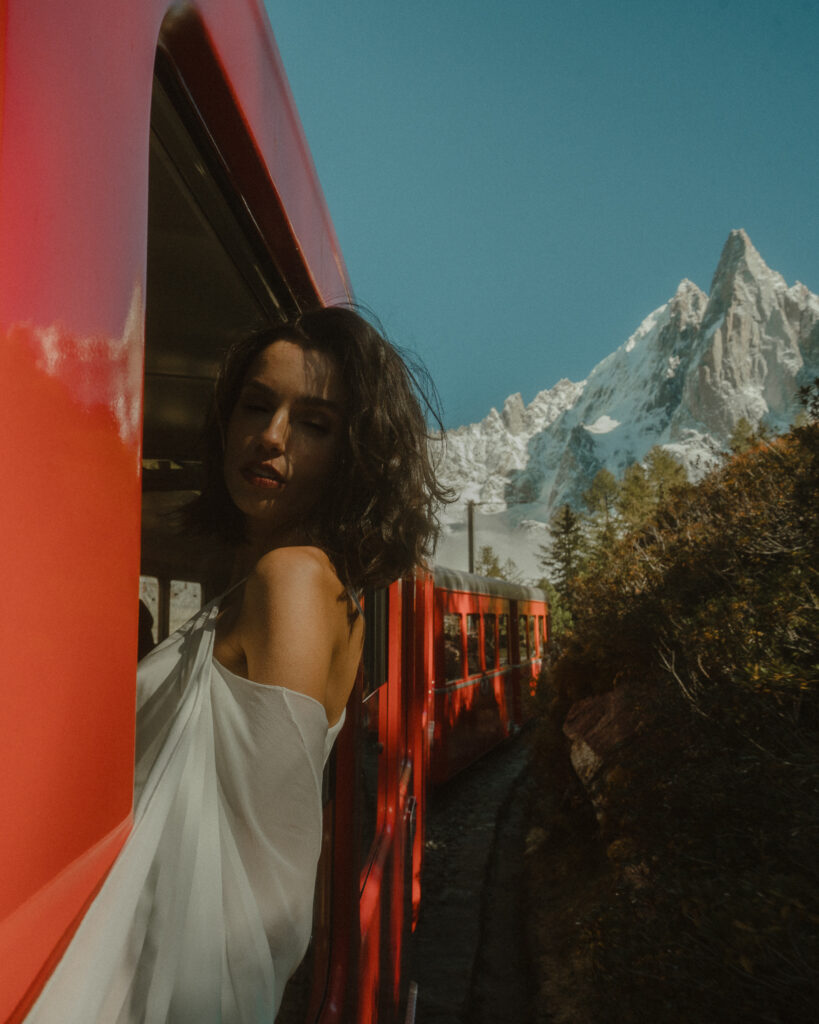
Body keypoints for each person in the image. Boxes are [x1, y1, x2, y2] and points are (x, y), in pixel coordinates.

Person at [25, 306, 449, 1024]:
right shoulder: (295, 585)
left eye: (313, 423)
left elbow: (260, 879)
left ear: (355, 453)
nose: (271, 436)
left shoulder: (291, 580)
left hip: (143, 989)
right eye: (256, 405)